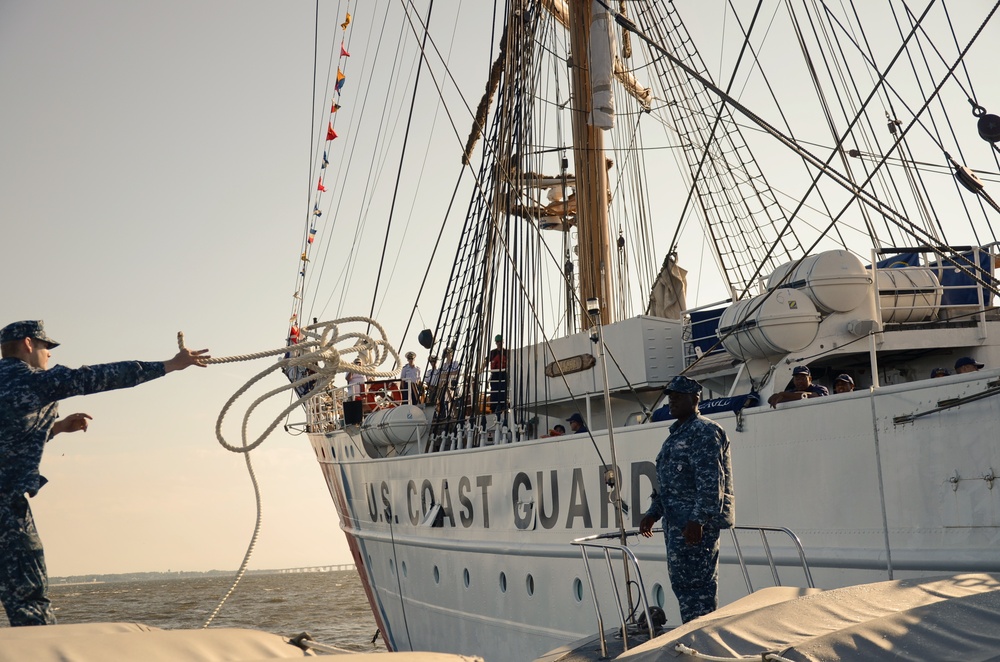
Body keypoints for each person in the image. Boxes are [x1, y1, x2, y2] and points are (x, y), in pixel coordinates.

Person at [0, 320, 209, 627]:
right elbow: (100, 376)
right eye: (46, 348)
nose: (49, 357)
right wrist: (170, 365)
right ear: (29, 344)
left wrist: (55, 428)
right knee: (29, 598)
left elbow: (8, 437)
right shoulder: (34, 382)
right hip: (6, 505)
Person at [639, 375, 734, 624]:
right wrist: (652, 513)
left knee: (699, 589)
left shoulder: (704, 432)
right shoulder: (676, 435)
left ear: (695, 399)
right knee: (683, 586)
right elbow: (668, 486)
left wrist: (699, 519)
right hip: (676, 526)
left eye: (678, 397)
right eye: (670, 397)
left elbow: (712, 483)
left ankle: (702, 640)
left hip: (694, 528)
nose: (672, 401)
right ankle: (693, 635)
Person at [488, 335, 508, 417]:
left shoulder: (506, 352)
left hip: (503, 375)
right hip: (495, 375)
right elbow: (486, 362)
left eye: (500, 341)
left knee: (503, 391)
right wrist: (480, 370)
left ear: (502, 342)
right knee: (495, 392)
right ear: (496, 343)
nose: (499, 343)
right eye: (497, 342)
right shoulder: (493, 353)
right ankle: (494, 409)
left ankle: (503, 408)